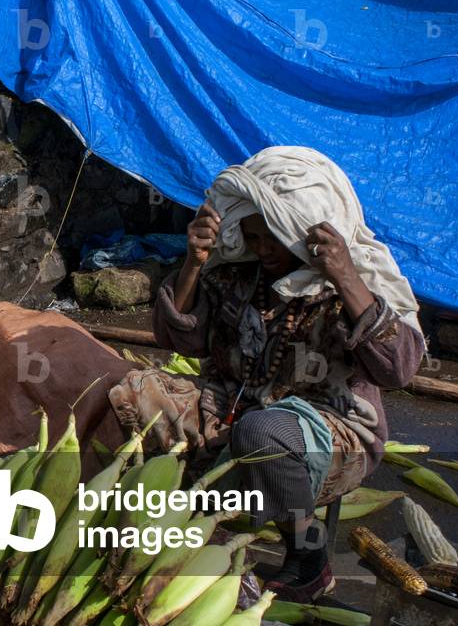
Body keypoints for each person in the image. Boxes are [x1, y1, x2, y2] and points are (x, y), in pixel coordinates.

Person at [108, 146, 425, 602]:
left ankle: (309, 559)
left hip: (331, 435)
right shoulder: (241, 276)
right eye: (254, 237)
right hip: (235, 408)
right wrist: (193, 264)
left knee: (262, 433)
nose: (263, 250)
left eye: (274, 238)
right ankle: (169, 524)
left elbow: (397, 369)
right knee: (133, 392)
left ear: (302, 232)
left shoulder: (354, 284)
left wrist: (344, 275)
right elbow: (182, 341)